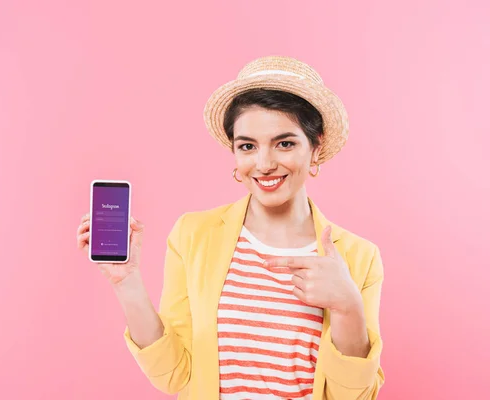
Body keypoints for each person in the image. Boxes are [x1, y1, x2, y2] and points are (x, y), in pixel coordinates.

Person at [77, 56, 385, 400]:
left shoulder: (358, 257)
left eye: (285, 143)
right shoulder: (193, 235)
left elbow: (354, 395)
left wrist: (348, 307)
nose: (265, 164)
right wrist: (127, 282)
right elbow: (176, 376)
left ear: (316, 147)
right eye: (248, 146)